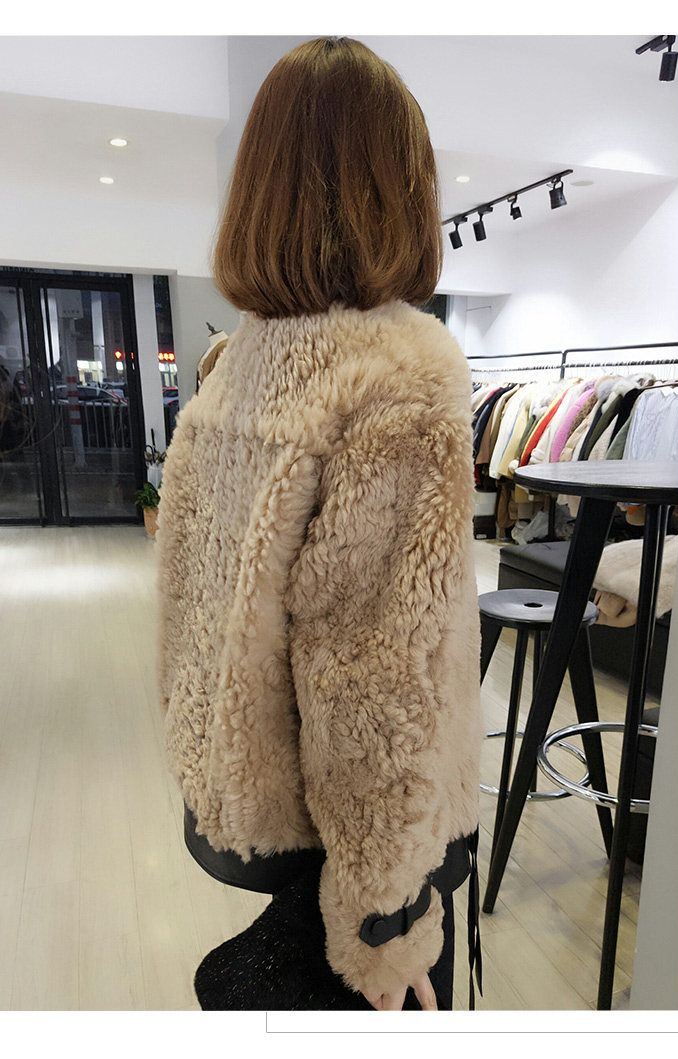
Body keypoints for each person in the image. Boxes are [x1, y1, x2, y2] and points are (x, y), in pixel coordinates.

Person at [156, 36, 483, 1012]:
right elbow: (379, 685)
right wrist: (387, 926)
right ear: (403, 187)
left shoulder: (233, 368)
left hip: (244, 799)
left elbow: (191, 604)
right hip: (372, 855)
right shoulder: (403, 375)